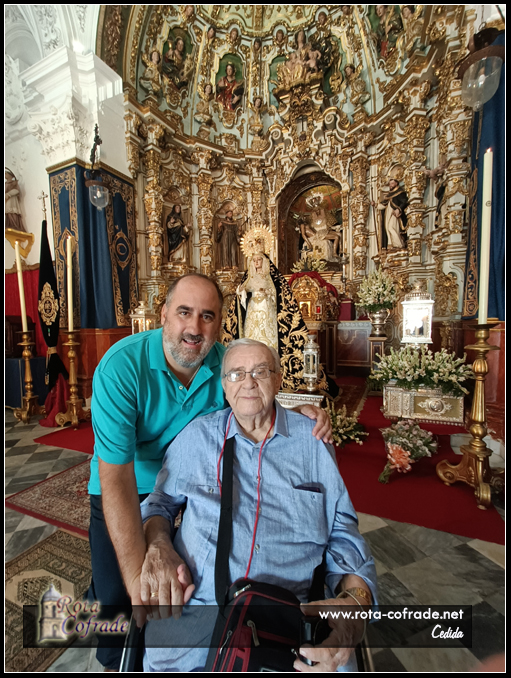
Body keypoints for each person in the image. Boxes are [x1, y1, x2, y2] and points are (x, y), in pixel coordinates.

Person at [88, 274, 332, 670]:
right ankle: (113, 656)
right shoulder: (121, 367)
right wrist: (139, 585)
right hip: (127, 483)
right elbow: (116, 476)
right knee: (119, 600)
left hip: (188, 480)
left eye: (207, 316)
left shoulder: (223, 365)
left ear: (220, 323)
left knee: (185, 575)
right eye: (184, 312)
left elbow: (251, 400)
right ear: (163, 314)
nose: (194, 328)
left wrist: (294, 412)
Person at [138, 338, 378, 672]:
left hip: (289, 614)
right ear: (224, 386)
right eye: (236, 373)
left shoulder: (313, 442)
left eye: (260, 371)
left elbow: (343, 533)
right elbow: (159, 504)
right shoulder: (195, 439)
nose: (248, 382)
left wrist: (355, 605)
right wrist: (159, 545)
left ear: (278, 380)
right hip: (198, 609)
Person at [237, 253, 278, 350]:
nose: (256, 262)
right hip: (253, 305)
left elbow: (275, 291)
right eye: (254, 260)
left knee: (265, 325)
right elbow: (242, 291)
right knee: (253, 326)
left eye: (259, 260)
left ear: (263, 261)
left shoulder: (268, 277)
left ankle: (268, 346)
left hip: (265, 304)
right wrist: (241, 290)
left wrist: (267, 292)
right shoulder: (250, 277)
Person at [371, 178, 408, 250]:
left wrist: (398, 209)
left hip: (394, 214)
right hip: (388, 214)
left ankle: (398, 245)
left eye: (392, 183)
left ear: (396, 183)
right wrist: (375, 205)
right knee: (388, 228)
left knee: (391, 228)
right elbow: (383, 205)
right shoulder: (389, 195)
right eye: (390, 184)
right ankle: (391, 245)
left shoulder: (400, 192)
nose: (390, 185)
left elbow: (404, 202)